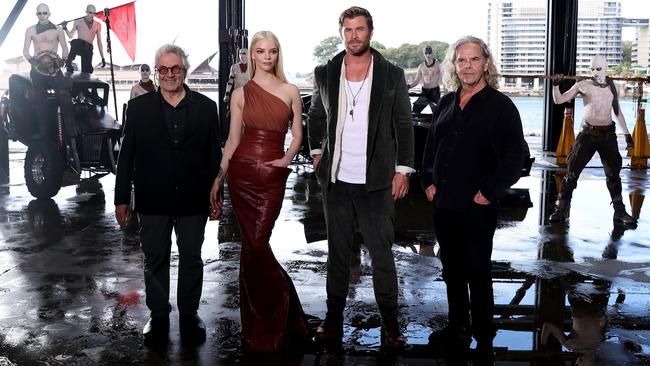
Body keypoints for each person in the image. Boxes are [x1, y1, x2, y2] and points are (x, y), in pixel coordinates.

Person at [307, 6, 414, 350]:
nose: (354, 35)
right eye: (348, 30)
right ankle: (332, 319)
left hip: (377, 182)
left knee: (382, 255)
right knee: (337, 255)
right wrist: (317, 153)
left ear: (371, 32)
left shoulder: (392, 74)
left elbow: (404, 125)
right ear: (342, 33)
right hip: (336, 182)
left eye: (360, 29)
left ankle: (391, 323)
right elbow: (315, 116)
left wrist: (403, 169)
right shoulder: (326, 72)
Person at [421, 36, 524, 359]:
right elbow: (431, 146)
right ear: (454, 65)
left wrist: (489, 192)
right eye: (461, 60)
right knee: (451, 269)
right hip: (444, 204)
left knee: (478, 270)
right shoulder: (448, 102)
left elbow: (514, 158)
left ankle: (483, 333)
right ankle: (457, 326)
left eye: (474, 59)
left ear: (486, 64)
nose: (467, 66)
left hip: (477, 206)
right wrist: (427, 181)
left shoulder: (501, 106)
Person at [209, 31, 310, 352]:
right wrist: (219, 176)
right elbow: (233, 140)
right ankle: (259, 320)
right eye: (261, 51)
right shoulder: (240, 94)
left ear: (278, 55)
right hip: (241, 173)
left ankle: (280, 303)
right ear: (252, 55)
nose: (267, 56)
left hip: (272, 175)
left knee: (258, 242)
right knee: (250, 247)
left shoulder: (290, 90)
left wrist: (284, 160)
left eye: (273, 51)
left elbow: (297, 135)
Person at [114, 44, 221, 347]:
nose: (170, 74)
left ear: (184, 70)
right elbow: (126, 158)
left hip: (193, 197)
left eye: (175, 68)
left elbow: (215, 155)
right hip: (153, 197)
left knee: (191, 258)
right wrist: (122, 199)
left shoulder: (205, 107)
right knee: (155, 257)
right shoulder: (137, 109)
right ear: (156, 72)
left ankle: (189, 313)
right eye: (164, 69)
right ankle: (158, 315)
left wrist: (217, 195)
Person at [549, 55, 636, 225]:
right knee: (572, 172)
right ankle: (561, 209)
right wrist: (555, 85)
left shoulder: (612, 86)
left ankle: (619, 211)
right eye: (592, 69)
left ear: (606, 68)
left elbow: (617, 112)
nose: (595, 73)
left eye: (599, 69)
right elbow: (559, 99)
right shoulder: (583, 85)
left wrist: (627, 135)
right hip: (587, 135)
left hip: (608, 135)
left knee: (613, 175)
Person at [23, 3, 76, 140]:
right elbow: (25, 51)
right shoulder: (30, 30)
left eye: (44, 13)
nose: (42, 16)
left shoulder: (58, 29)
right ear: (36, 14)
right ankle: (43, 132)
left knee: (64, 96)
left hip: (55, 68)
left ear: (49, 14)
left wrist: (63, 61)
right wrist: (33, 62)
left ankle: (71, 130)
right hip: (37, 69)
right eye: (39, 13)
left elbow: (65, 48)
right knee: (40, 99)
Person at [62, 4, 105, 74]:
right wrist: (65, 28)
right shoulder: (78, 21)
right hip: (79, 46)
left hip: (88, 49)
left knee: (87, 71)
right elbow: (70, 35)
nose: (91, 15)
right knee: (75, 42)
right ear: (86, 12)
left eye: (94, 13)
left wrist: (102, 58)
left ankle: (86, 71)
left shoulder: (97, 25)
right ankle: (68, 62)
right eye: (90, 13)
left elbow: (99, 42)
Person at [408, 45, 442, 115]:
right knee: (415, 109)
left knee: (438, 112)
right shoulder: (421, 66)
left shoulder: (438, 65)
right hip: (425, 92)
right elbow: (416, 81)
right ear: (424, 54)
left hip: (435, 92)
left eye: (429, 53)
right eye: (426, 53)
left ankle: (435, 124)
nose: (428, 55)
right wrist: (408, 86)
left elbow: (444, 79)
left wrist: (446, 91)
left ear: (432, 53)